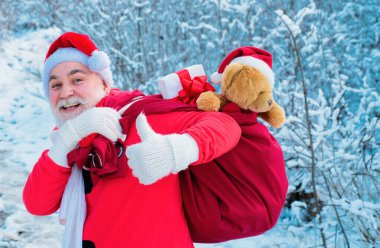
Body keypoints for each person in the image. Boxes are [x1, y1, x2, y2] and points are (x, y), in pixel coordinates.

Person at [22, 32, 241, 248]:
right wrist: (66, 140)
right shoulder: (67, 140)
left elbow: (225, 125)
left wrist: (176, 150)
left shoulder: (139, 118)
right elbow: (37, 204)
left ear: (105, 84)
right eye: (55, 85)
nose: (66, 92)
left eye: (77, 79)